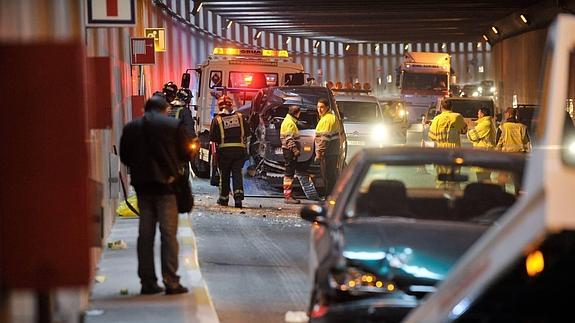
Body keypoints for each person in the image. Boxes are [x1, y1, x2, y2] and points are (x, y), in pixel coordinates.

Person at [119, 96, 192, 295]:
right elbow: (187, 154)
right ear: (164, 109)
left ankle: (147, 282)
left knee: (145, 235)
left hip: (143, 189)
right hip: (166, 188)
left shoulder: (131, 128)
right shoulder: (173, 126)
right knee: (168, 235)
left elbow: (125, 157)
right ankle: (171, 281)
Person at [210, 95, 249, 208]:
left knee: (225, 175)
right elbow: (247, 132)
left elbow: (213, 138)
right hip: (239, 151)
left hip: (224, 152)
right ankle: (238, 199)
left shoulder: (217, 119)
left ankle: (224, 199)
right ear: (231, 105)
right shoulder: (240, 117)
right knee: (237, 173)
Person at [428, 99, 467, 180]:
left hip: (440, 150)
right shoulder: (457, 116)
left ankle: (441, 190)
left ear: (441, 107)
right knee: (454, 175)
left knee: (441, 176)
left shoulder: (436, 119)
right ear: (451, 107)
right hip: (455, 149)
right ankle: (453, 191)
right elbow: (464, 130)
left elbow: (432, 136)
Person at [315, 97, 341, 197]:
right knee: (331, 174)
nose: (319, 109)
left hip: (329, 152)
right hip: (332, 151)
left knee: (328, 175)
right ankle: (332, 195)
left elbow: (324, 139)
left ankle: (330, 196)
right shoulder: (329, 117)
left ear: (327, 107)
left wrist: (319, 154)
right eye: (318, 107)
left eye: (322, 107)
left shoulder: (327, 120)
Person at [467, 106, 496, 182]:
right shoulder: (487, 123)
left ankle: (486, 193)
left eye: (478, 113)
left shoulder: (485, 124)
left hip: (483, 153)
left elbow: (471, 135)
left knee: (482, 177)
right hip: (485, 152)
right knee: (483, 177)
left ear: (482, 114)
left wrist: (470, 128)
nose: (477, 115)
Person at [280, 105, 302, 204]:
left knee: (290, 173)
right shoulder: (290, 123)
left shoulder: (289, 121)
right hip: (290, 152)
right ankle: (288, 196)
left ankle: (288, 194)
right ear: (296, 113)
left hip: (288, 151)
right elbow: (289, 139)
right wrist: (295, 150)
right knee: (289, 174)